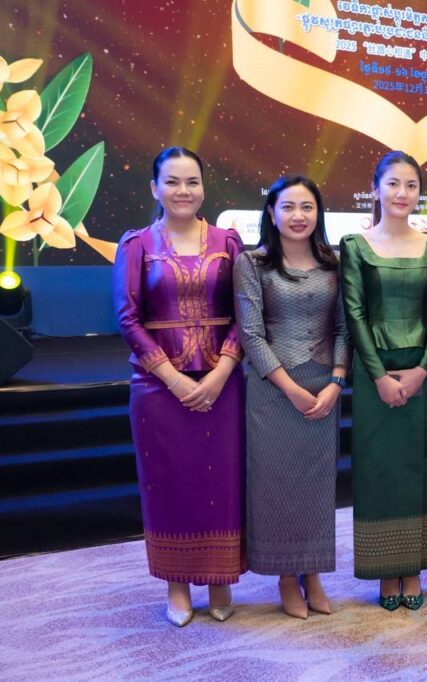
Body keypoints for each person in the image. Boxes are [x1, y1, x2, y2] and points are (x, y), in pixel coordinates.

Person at [113, 147, 245, 627]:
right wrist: (170, 376)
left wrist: (221, 372)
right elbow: (128, 318)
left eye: (192, 181)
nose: (183, 190)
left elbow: (246, 312)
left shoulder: (229, 242)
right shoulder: (136, 244)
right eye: (172, 181)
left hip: (222, 384)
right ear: (155, 188)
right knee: (169, 485)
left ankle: (220, 579)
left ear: (204, 188)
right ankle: (177, 584)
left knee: (221, 482)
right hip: (157, 389)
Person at [234, 175, 349, 619]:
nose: (298, 216)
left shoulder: (334, 263)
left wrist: (336, 381)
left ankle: (313, 573)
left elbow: (343, 330)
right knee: (278, 484)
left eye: (307, 207)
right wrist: (290, 388)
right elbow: (251, 335)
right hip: (273, 391)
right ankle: (286, 576)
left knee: (316, 486)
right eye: (288, 207)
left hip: (324, 388)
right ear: (271, 212)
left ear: (319, 213)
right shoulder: (252, 263)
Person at [340, 151, 427, 611]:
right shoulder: (355, 244)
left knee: (421, 469)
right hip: (373, 374)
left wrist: (422, 370)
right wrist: (379, 376)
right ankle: (386, 569)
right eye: (394, 184)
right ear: (376, 189)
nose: (403, 193)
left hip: (425, 373)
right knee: (380, 471)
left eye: (411, 185)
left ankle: (414, 567)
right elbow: (355, 314)